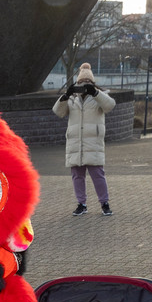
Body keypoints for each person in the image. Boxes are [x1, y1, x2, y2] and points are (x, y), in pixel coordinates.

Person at [54, 63, 116, 216]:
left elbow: (110, 105)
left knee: (98, 175)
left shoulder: (99, 96)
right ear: (77, 82)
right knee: (77, 175)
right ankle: (81, 203)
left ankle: (104, 203)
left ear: (92, 83)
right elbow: (58, 112)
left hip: (93, 143)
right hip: (75, 143)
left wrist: (95, 93)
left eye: (87, 82)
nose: (84, 85)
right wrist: (65, 96)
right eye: (81, 82)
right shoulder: (72, 98)